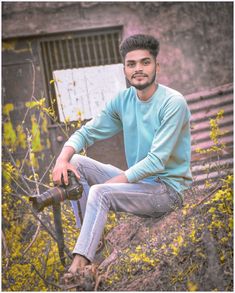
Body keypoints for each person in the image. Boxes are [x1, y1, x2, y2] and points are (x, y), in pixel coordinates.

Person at [52, 34, 192, 280]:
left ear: (157, 66)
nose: (138, 69)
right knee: (76, 163)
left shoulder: (173, 103)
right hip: (140, 186)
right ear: (125, 70)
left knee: (100, 192)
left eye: (145, 62)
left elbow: (156, 161)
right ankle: (92, 245)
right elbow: (87, 131)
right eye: (131, 64)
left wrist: (115, 183)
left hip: (167, 192)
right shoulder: (124, 101)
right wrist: (62, 158)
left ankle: (78, 266)